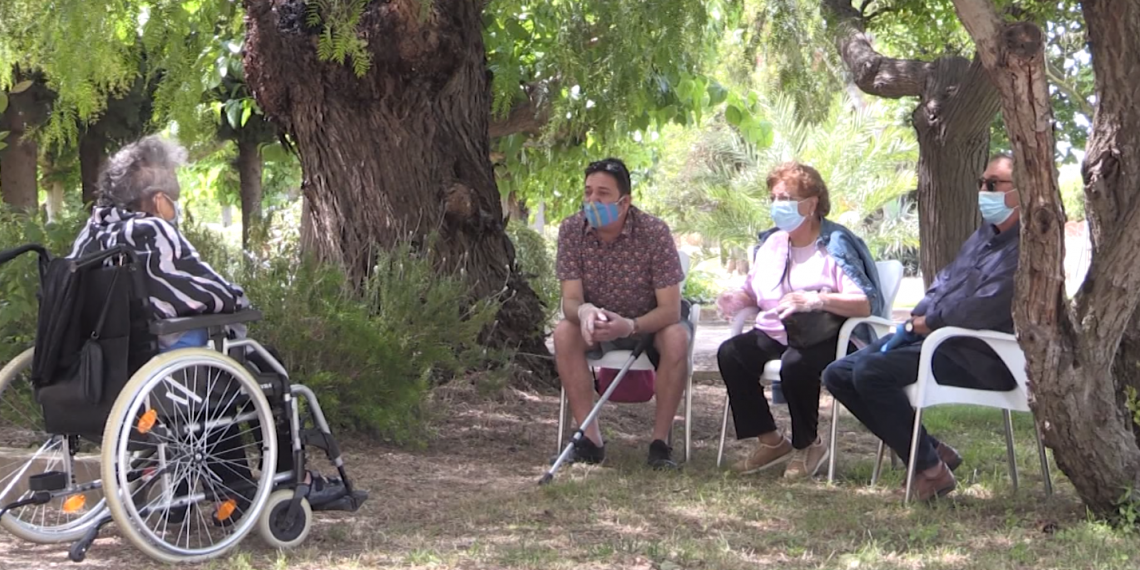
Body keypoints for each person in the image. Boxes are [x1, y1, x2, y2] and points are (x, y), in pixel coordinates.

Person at [68, 135, 348, 514]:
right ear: (158, 200)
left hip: (109, 370)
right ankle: (287, 479)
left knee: (222, 367)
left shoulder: (90, 236)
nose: (177, 204)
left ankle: (217, 486)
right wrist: (237, 301)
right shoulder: (153, 232)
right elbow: (208, 291)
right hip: (169, 371)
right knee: (265, 370)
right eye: (175, 194)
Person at [822, 154, 1021, 501]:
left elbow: (984, 306)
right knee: (838, 373)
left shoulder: (1030, 246)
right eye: (981, 183)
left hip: (982, 356)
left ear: (1024, 191)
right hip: (941, 342)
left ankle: (929, 471)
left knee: (871, 371)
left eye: (992, 184)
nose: (983, 191)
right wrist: (920, 317)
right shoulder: (982, 236)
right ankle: (931, 453)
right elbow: (943, 282)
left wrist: (931, 322)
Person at [716, 162, 883, 478]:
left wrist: (816, 299)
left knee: (796, 363)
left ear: (811, 203)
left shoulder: (835, 244)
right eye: (774, 198)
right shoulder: (774, 243)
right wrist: (737, 298)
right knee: (732, 353)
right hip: (781, 328)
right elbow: (755, 291)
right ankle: (771, 441)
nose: (778, 205)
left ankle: (809, 445)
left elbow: (865, 303)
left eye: (786, 197)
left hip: (829, 332)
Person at [554, 157, 690, 469]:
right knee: (564, 332)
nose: (592, 200)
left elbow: (669, 309)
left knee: (677, 339)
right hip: (598, 326)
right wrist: (586, 312)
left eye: (602, 193)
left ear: (624, 201)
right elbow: (570, 300)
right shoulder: (571, 230)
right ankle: (590, 439)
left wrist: (629, 326)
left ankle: (659, 444)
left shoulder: (654, 232)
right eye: (588, 192)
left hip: (649, 324)